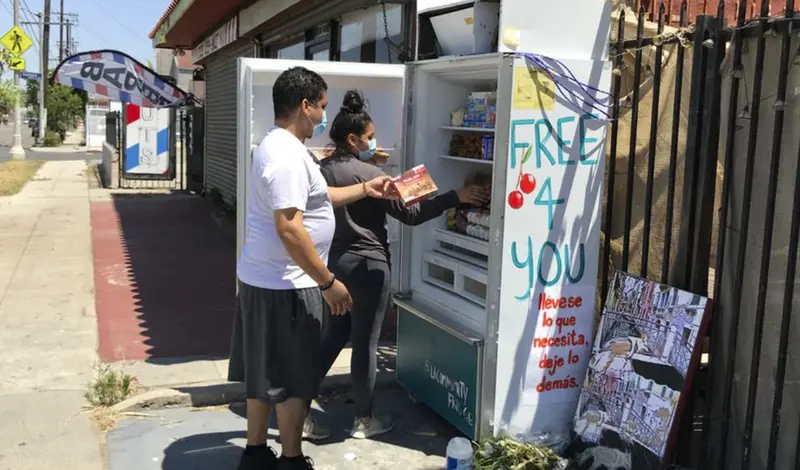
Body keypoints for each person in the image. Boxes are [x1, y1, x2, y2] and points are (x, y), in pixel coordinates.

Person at [229, 69, 393, 470]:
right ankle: (290, 459)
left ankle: (254, 453)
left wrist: (365, 188)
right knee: (294, 381)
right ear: (305, 106)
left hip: (264, 280)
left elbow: (319, 198)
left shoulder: (284, 147)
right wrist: (328, 281)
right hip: (287, 287)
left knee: (264, 375)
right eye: (321, 106)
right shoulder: (286, 157)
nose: (324, 114)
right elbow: (289, 227)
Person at [307, 90, 489, 439]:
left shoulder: (320, 169)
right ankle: (364, 419)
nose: (374, 142)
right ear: (353, 139)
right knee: (365, 342)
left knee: (335, 334)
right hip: (369, 267)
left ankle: (299, 407)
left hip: (333, 266)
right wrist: (456, 197)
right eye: (370, 137)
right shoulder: (369, 175)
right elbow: (412, 215)